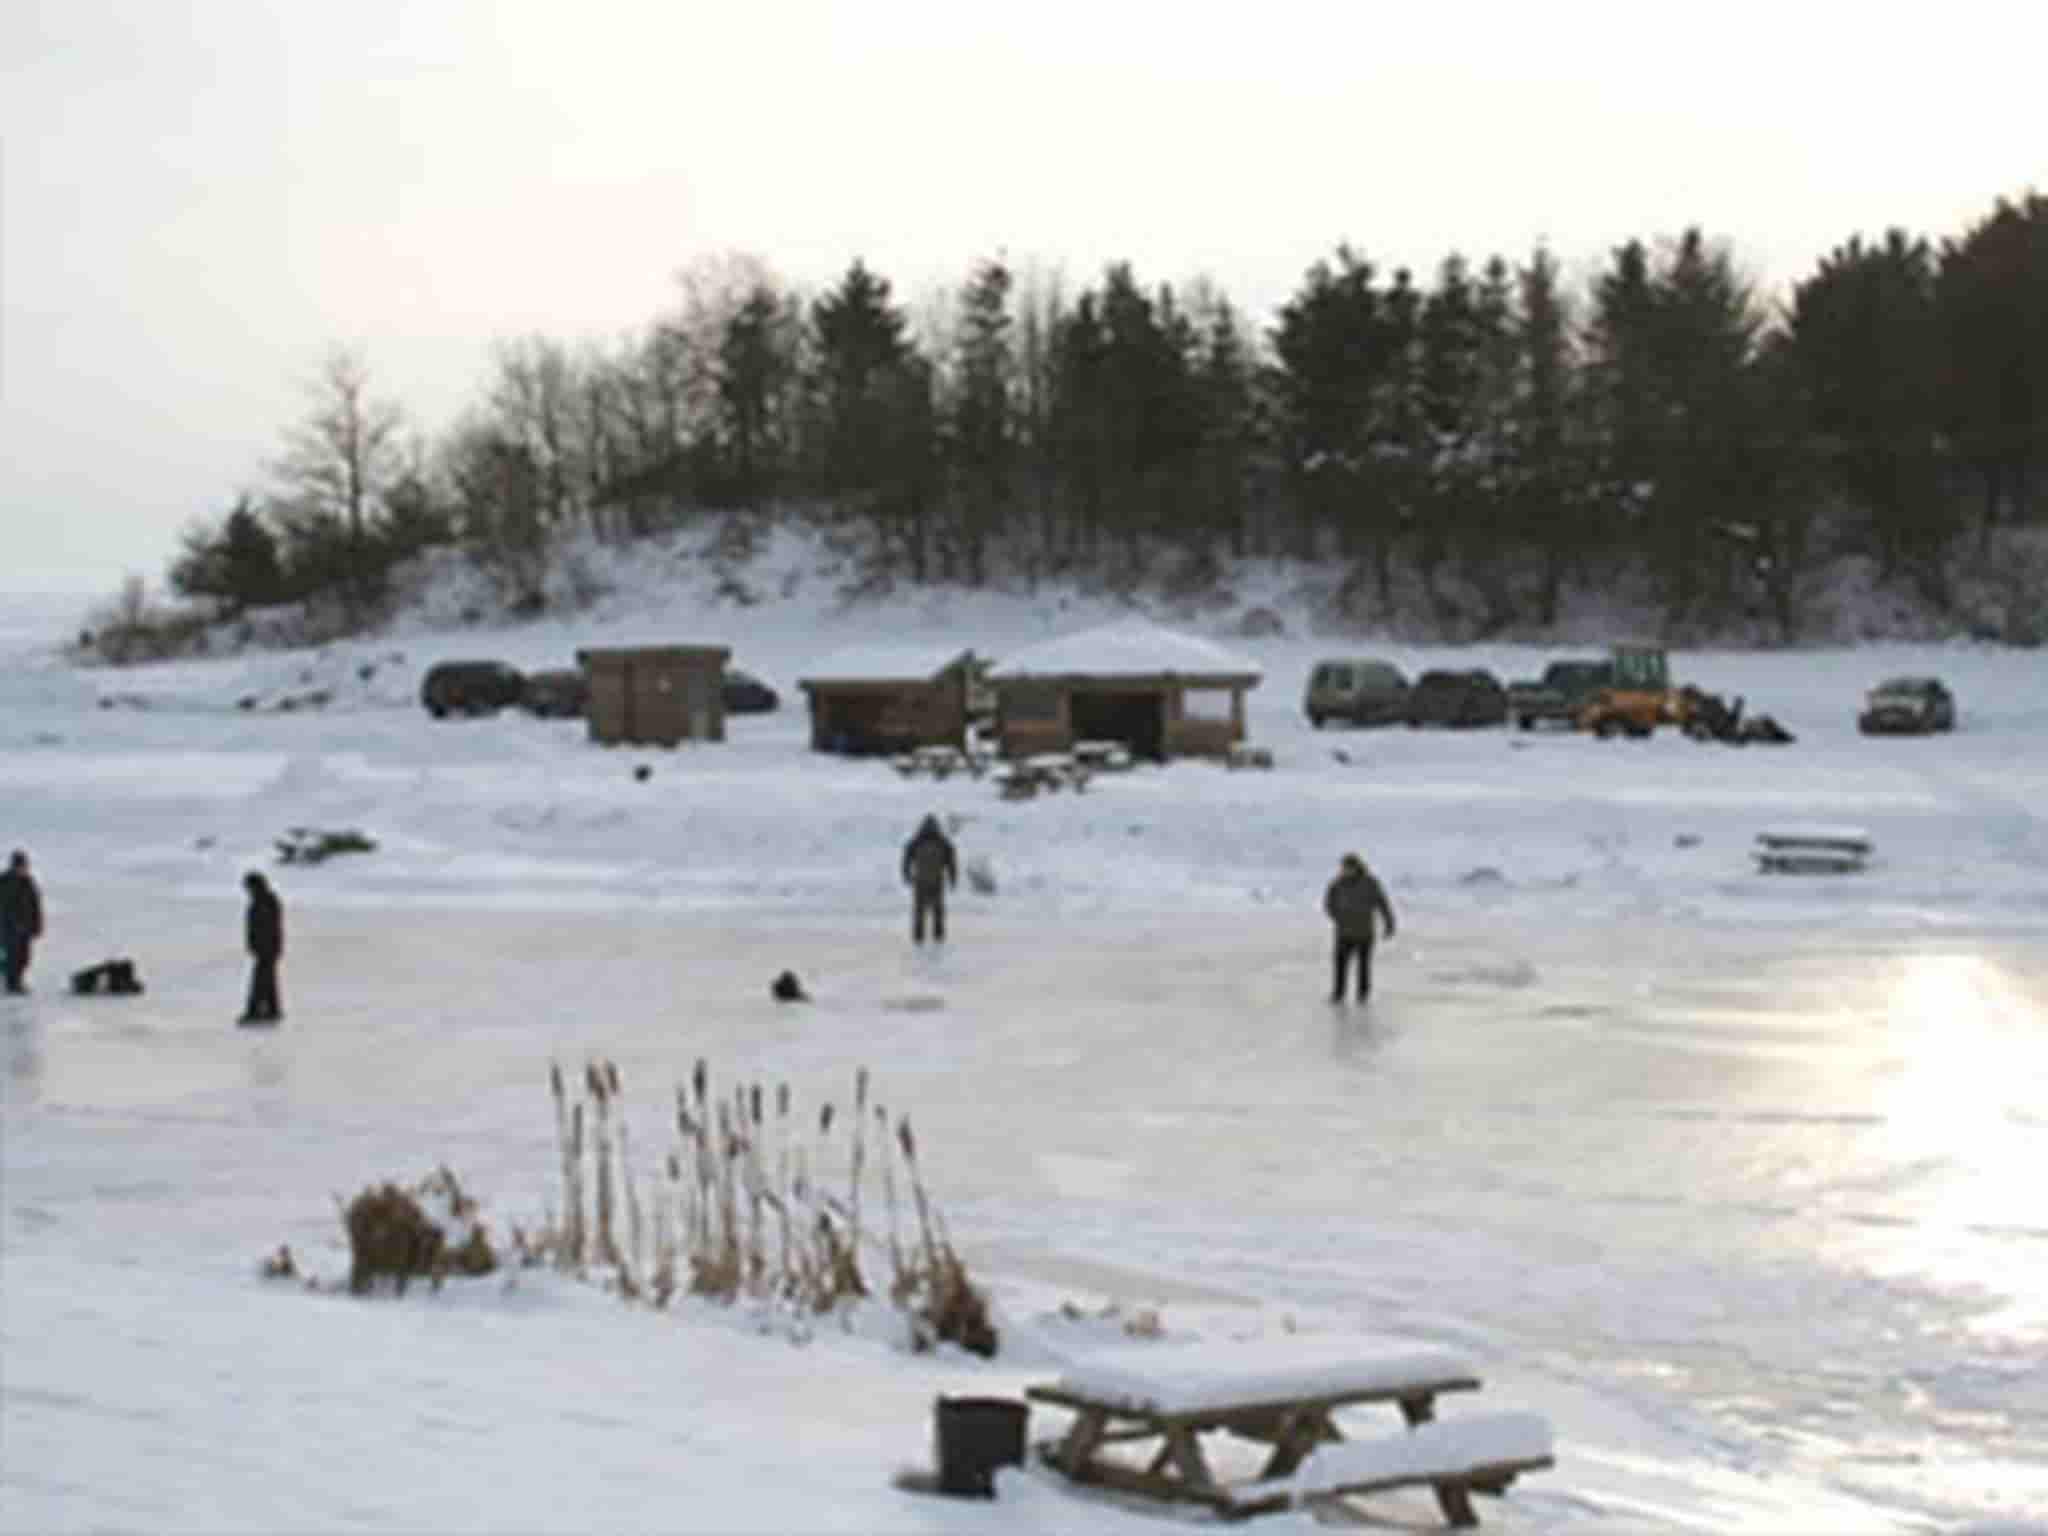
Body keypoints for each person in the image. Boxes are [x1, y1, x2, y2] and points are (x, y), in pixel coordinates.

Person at [1323, 852, 1396, 1004]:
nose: (1344, 871)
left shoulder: (1370, 883)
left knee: (1363, 966)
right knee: (1340, 964)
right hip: (1344, 932)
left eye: (1347, 868)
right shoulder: (1336, 884)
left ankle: (1363, 995)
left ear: (1356, 867)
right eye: (1343, 868)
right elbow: (1328, 903)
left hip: (1365, 932)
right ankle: (1339, 994)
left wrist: (1389, 923)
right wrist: (1338, 917)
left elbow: (1382, 903)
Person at [900, 813, 958, 944]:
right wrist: (953, 878)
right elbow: (952, 862)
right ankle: (938, 937)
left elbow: (906, 859)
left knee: (919, 911)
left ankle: (918, 938)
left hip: (920, 881)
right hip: (937, 881)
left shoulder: (916, 841)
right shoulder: (943, 842)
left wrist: (906, 875)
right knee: (938, 911)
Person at [239, 871, 284, 1025]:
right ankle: (272, 1009)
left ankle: (256, 1010)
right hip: (265, 948)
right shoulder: (262, 901)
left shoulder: (265, 902)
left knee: (260, 980)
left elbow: (268, 927)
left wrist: (263, 945)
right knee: (267, 979)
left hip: (267, 948)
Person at [1, 850, 44, 995]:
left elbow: (35, 905)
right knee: (12, 957)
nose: (23, 869)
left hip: (25, 929)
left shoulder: (28, 882)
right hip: (8, 928)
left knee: (24, 958)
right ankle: (12, 984)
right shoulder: (4, 882)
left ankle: (15, 981)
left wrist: (37, 925)